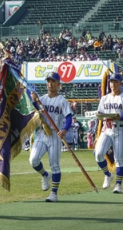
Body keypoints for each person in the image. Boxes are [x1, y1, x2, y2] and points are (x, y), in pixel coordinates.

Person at [29, 72, 73, 202]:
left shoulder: (62, 101)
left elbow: (69, 117)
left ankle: (54, 193)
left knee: (55, 165)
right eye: (48, 81)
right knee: (33, 160)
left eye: (53, 81)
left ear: (58, 84)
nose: (50, 84)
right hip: (42, 133)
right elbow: (37, 110)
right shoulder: (41, 99)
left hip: (55, 134)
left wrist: (65, 129)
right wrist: (34, 101)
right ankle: (44, 174)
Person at [95, 73, 123, 193]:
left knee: (119, 159)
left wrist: (120, 116)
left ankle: (118, 185)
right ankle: (108, 174)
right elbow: (99, 114)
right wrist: (100, 117)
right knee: (98, 154)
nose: (113, 84)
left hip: (120, 129)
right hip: (107, 128)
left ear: (120, 83)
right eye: (111, 81)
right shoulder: (104, 98)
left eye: (116, 82)